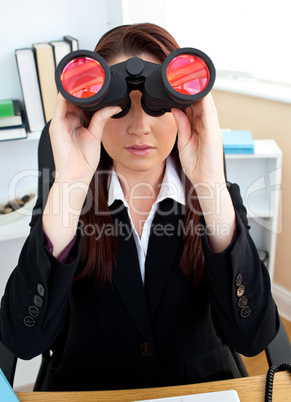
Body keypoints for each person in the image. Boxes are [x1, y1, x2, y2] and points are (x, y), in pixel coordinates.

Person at [0, 23, 278, 391]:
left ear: (186, 109)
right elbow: (24, 340)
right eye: (117, 108)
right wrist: (69, 184)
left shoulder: (213, 193)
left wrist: (209, 185)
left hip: (196, 388)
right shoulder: (66, 196)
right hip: (90, 390)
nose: (140, 127)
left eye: (158, 105)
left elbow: (253, 337)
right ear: (90, 111)